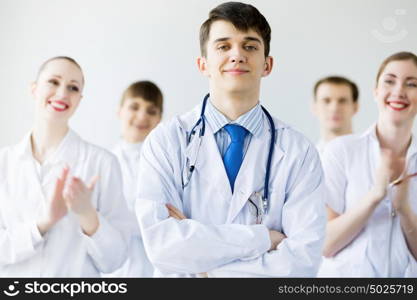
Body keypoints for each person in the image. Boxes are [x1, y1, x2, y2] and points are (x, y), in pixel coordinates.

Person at [135, 2, 325, 277]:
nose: (237, 55)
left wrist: (207, 269)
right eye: (223, 46)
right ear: (203, 64)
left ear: (267, 64)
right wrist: (263, 239)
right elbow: (163, 248)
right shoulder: (166, 141)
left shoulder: (298, 151)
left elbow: (302, 263)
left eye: (250, 46)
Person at [0, 56, 129, 276]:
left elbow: (115, 260)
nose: (62, 93)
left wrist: (88, 215)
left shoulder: (102, 163)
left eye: (73, 87)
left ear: (79, 99)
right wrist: (42, 224)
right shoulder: (4, 163)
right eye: (53, 82)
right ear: (34, 89)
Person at [319, 51, 417, 277]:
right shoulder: (341, 151)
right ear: (376, 92)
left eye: (411, 84)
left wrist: (403, 208)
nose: (399, 91)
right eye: (390, 81)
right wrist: (375, 195)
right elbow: (325, 244)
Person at [106, 81, 163, 277]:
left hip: (156, 268)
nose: (142, 116)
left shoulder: (164, 165)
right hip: (115, 271)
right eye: (134, 107)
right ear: (119, 111)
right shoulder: (103, 163)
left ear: (159, 119)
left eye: (151, 110)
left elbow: (166, 222)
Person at [312, 76, 359, 154]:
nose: (334, 108)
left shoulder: (374, 154)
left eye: (342, 101)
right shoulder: (304, 160)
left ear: (355, 107)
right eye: (326, 101)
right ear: (314, 107)